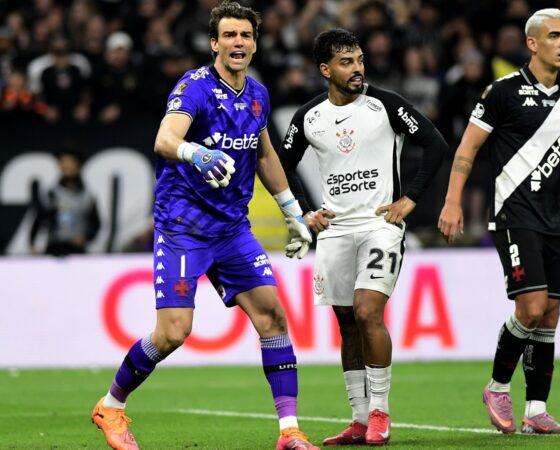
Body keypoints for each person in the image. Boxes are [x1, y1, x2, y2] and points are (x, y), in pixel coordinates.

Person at [89, 2, 317, 450]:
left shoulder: (257, 93)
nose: (238, 43)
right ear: (215, 43)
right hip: (183, 228)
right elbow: (165, 139)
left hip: (232, 229)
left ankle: (289, 431)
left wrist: (293, 212)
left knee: (273, 317)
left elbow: (265, 153)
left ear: (255, 42)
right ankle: (111, 406)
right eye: (229, 35)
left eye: (245, 36)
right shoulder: (193, 87)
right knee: (173, 332)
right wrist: (196, 153)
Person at [438, 8, 560, 436]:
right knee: (532, 306)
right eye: (554, 35)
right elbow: (467, 149)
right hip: (513, 214)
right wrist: (452, 201)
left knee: (551, 313)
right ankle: (498, 386)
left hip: (555, 219)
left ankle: (537, 409)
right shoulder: (500, 92)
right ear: (533, 44)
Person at [278, 28, 446, 446]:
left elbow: (436, 145)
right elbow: (282, 165)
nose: (357, 69)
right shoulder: (308, 117)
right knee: (347, 323)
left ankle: (380, 413)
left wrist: (410, 200)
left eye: (359, 60)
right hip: (335, 232)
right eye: (346, 62)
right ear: (325, 69)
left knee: (368, 311)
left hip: (379, 226)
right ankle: (356, 418)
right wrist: (302, 213)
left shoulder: (385, 105)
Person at [29, 149, 100, 256]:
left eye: (71, 162)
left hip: (78, 250)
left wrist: (86, 238)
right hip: (55, 248)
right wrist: (32, 243)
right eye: (63, 162)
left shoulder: (87, 196)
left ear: (78, 165)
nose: (67, 166)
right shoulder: (52, 195)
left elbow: (96, 223)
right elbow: (40, 219)